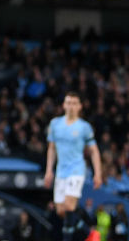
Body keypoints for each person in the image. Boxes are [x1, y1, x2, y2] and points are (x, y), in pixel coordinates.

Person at [44, 91, 103, 241]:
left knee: (70, 206)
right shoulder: (55, 124)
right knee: (61, 211)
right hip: (61, 171)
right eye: (68, 102)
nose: (71, 106)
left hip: (76, 169)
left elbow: (94, 151)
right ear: (64, 105)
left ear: (79, 107)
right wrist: (49, 170)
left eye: (74, 103)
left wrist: (98, 173)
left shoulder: (84, 127)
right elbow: (52, 148)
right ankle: (88, 232)